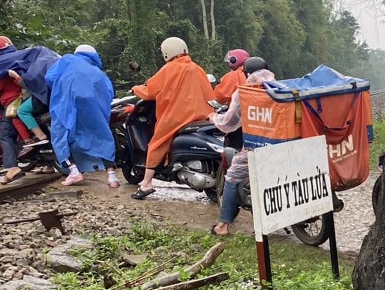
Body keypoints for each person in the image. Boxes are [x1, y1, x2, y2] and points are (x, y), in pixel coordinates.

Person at [130, 37, 216, 199]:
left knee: (157, 142)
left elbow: (150, 91)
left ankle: (146, 183)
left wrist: (136, 89)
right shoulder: (198, 69)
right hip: (202, 115)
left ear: (167, 52)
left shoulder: (169, 69)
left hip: (178, 116)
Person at [208, 57, 276, 236]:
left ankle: (223, 226)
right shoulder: (279, 88)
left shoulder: (245, 91)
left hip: (257, 144)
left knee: (232, 176)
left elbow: (230, 122)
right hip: (283, 144)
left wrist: (214, 118)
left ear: (246, 74)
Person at [46, 44, 120, 188]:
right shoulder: (98, 72)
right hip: (92, 108)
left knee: (60, 137)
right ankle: (112, 177)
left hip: (66, 105)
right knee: (102, 137)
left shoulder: (68, 60)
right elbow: (109, 92)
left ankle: (73, 171)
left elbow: (50, 77)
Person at [0, 37, 32, 184]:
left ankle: (12, 167)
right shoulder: (20, 59)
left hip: (14, 102)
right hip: (29, 98)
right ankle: (46, 163)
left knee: (5, 135)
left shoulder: (5, 66)